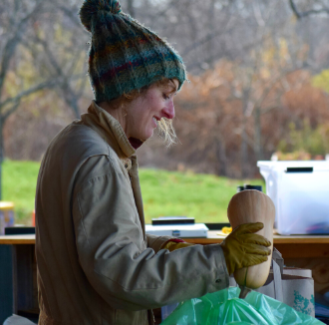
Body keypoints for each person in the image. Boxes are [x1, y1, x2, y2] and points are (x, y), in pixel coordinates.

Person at [34, 1, 271, 323]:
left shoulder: (72, 142)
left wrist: (170, 248)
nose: (170, 112)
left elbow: (103, 243)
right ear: (130, 89)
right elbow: (122, 276)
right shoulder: (98, 160)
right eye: (166, 94)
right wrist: (220, 260)